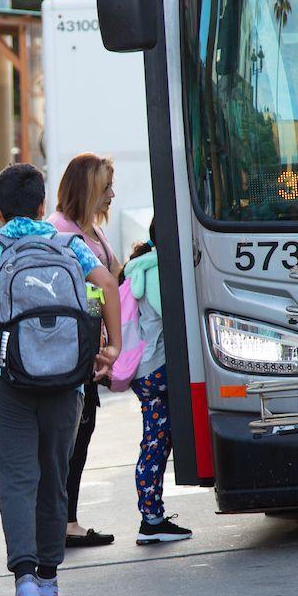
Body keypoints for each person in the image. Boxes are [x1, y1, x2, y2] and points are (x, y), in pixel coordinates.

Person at [0, 163, 121, 596]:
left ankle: (22, 579)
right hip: (65, 379)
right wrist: (112, 346)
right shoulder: (68, 245)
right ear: (43, 205)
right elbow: (106, 285)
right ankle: (48, 577)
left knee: (17, 479)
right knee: (53, 476)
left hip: (6, 382)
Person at [47, 153, 119, 548]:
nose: (111, 195)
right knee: (71, 436)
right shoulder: (62, 230)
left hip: (88, 347)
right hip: (71, 350)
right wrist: (113, 343)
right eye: (105, 187)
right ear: (87, 189)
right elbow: (99, 286)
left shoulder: (88, 230)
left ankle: (66, 518)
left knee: (82, 432)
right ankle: (63, 522)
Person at [122, 220, 192, 545]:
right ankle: (151, 520)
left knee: (156, 440)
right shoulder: (156, 272)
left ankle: (151, 517)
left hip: (143, 371)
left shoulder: (138, 267)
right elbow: (176, 317)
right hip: (159, 369)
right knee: (156, 442)